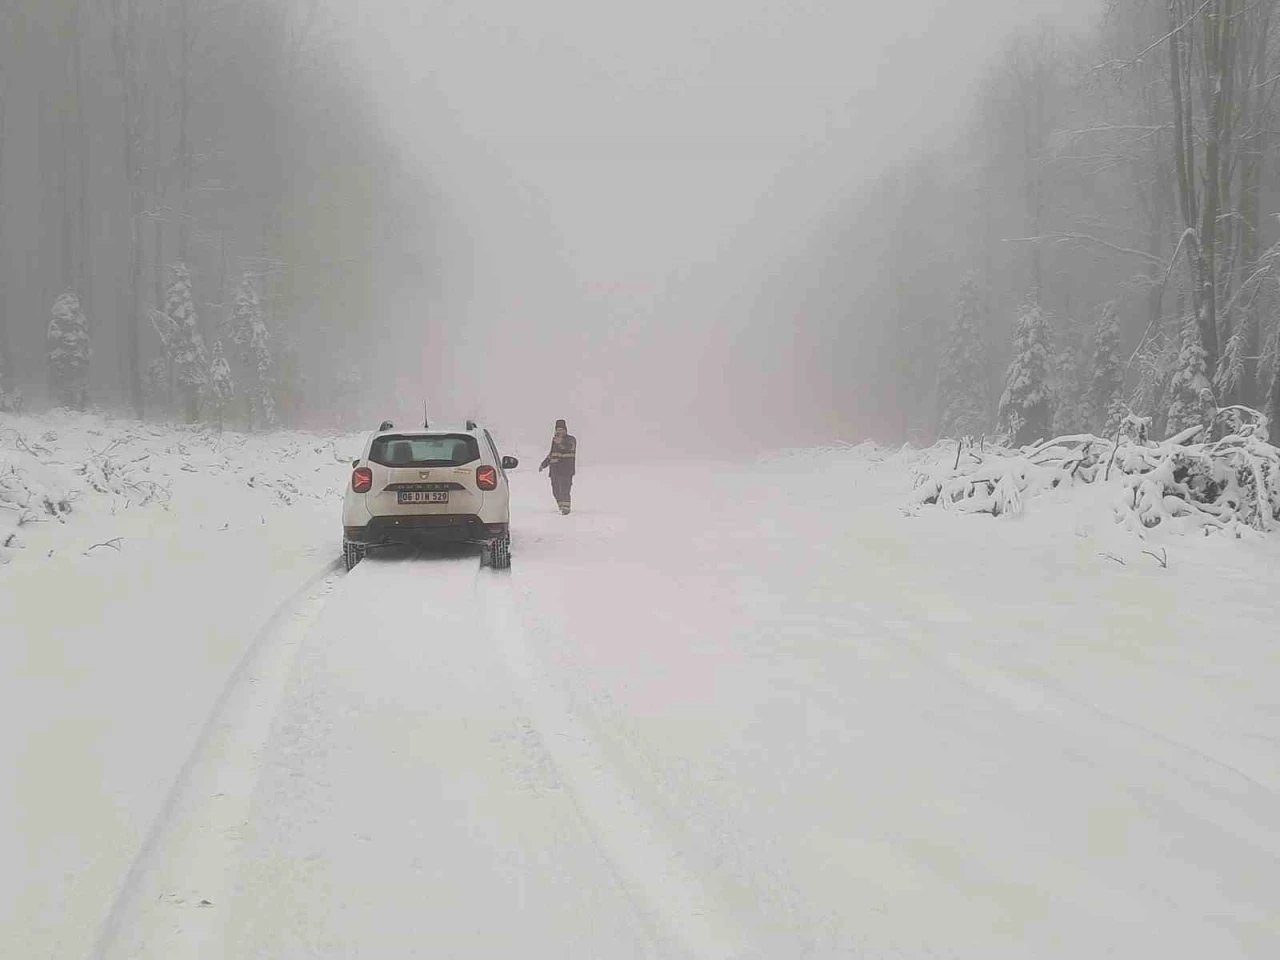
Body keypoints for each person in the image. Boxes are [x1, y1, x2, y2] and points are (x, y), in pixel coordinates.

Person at [538, 418, 577, 514]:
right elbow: (552, 454)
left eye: (561, 429)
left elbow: (569, 447)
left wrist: (561, 442)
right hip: (555, 470)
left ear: (565, 430)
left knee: (565, 489)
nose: (559, 432)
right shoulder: (554, 440)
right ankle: (561, 506)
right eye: (557, 430)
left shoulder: (571, 439)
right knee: (555, 490)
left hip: (566, 470)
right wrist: (543, 464)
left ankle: (566, 508)